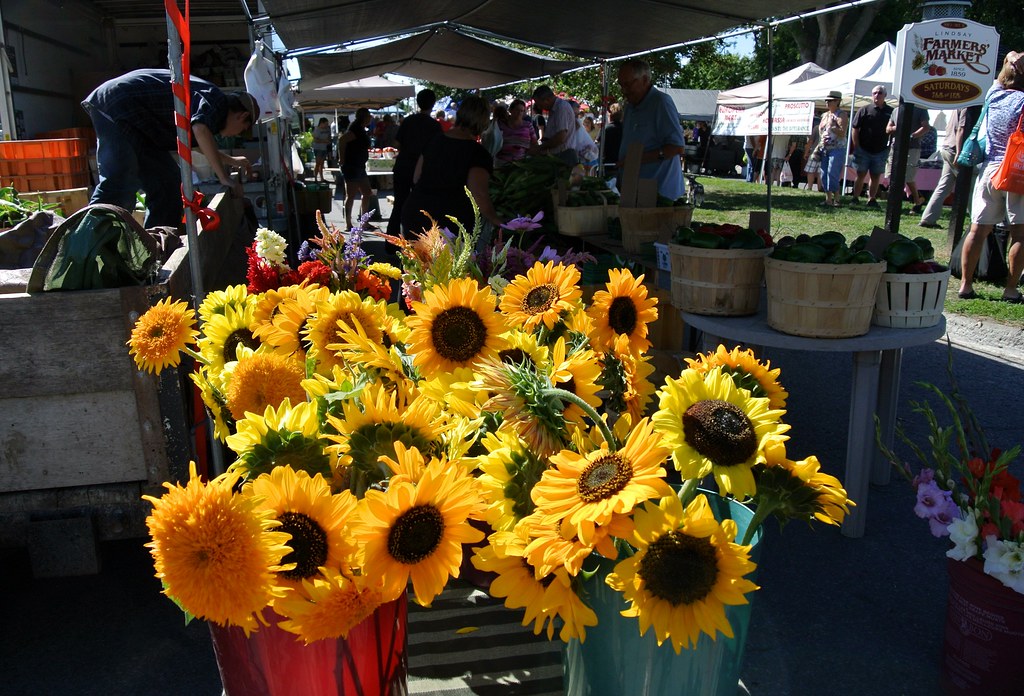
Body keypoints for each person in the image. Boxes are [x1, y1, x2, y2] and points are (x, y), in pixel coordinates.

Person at [81, 68, 257, 228]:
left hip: (141, 127)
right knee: (119, 183)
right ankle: (84, 245)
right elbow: (200, 130)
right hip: (117, 105)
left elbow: (200, 144)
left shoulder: (210, 113)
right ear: (242, 116)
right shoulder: (217, 100)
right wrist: (224, 178)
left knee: (168, 186)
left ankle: (157, 246)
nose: (235, 135)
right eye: (241, 131)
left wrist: (231, 160)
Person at [957, 51, 1024, 303]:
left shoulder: (993, 95)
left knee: (977, 230)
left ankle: (965, 284)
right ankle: (1010, 289)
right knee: (1020, 234)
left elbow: (1006, 65)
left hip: (989, 170)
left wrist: (1012, 58)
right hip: (1017, 172)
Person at [401, 95, 503, 235]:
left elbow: (416, 177)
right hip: (448, 223)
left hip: (416, 212)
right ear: (484, 121)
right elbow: (479, 194)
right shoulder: (477, 153)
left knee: (414, 257)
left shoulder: (434, 140)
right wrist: (497, 220)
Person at [615, 58, 686, 201]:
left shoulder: (661, 102)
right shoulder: (629, 107)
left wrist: (635, 160)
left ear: (645, 79)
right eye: (621, 85)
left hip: (659, 195)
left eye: (628, 84)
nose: (624, 90)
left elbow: (677, 147)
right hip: (633, 190)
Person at [387, 89, 442, 240]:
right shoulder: (434, 126)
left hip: (403, 166)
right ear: (433, 103)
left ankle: (391, 242)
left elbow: (396, 143)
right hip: (423, 171)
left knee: (399, 204)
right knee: (422, 207)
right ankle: (417, 242)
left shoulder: (408, 121)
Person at [919, 108, 968, 229]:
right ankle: (979, 222)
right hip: (955, 150)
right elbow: (961, 129)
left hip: (947, 147)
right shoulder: (968, 107)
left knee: (944, 186)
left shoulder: (958, 107)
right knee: (970, 186)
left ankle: (928, 218)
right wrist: (959, 152)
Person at [850, 85, 893, 208]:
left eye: (879, 93)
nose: (876, 95)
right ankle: (855, 197)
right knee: (861, 174)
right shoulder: (864, 109)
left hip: (881, 150)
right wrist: (857, 145)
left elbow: (894, 130)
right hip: (863, 149)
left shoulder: (890, 112)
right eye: (874, 93)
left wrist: (889, 147)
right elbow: (855, 128)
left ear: (885, 95)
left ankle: (871, 199)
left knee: (875, 176)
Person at [886, 104, 931, 214]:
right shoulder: (896, 110)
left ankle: (917, 199)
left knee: (908, 177)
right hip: (895, 147)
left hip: (912, 148)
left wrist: (911, 136)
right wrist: (896, 128)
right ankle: (895, 203)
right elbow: (888, 128)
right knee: (891, 175)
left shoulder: (921, 109)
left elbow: (926, 127)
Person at [338, 107, 376, 230]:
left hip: (359, 166)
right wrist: (342, 159)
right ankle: (348, 223)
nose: (371, 117)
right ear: (364, 117)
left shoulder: (360, 129)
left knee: (367, 192)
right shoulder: (355, 129)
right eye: (369, 115)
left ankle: (364, 221)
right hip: (352, 166)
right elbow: (342, 140)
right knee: (351, 195)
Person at [529, 85, 578, 165]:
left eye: (540, 104)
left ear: (547, 100)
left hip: (564, 156)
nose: (539, 107)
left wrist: (539, 148)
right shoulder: (554, 109)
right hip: (559, 155)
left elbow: (560, 137)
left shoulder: (561, 108)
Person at [817, 90, 848, 208]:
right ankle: (828, 199)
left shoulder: (842, 115)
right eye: (826, 100)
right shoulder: (824, 115)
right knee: (824, 173)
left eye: (830, 101)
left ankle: (837, 199)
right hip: (825, 148)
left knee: (832, 172)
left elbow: (842, 133)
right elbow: (821, 131)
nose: (827, 102)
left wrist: (832, 125)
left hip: (837, 148)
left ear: (837, 101)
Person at [495, 98, 537, 166]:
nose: (519, 113)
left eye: (522, 111)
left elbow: (534, 143)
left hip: (521, 162)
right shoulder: (501, 124)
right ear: (511, 110)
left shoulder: (528, 125)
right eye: (517, 110)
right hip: (502, 161)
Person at [601, 103, 624, 172]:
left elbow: (600, 144)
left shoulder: (606, 129)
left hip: (609, 163)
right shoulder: (625, 128)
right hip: (622, 162)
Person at [311, 117, 332, 182]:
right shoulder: (317, 130)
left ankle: (322, 178)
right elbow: (315, 140)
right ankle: (315, 178)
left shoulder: (327, 129)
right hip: (318, 148)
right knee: (318, 163)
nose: (326, 125)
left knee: (322, 164)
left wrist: (328, 140)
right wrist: (324, 141)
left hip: (324, 148)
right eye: (325, 124)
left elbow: (329, 136)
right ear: (321, 123)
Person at [802, 127, 821, 192]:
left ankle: (810, 187)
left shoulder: (817, 128)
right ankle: (820, 189)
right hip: (825, 153)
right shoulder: (830, 127)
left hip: (815, 152)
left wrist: (806, 153)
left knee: (810, 171)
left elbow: (810, 141)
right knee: (820, 173)